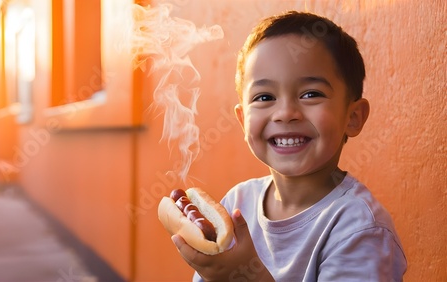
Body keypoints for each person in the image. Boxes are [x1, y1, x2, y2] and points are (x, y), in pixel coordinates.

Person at [171, 11, 407, 281]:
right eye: (264, 96)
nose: (285, 112)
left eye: (310, 94)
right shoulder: (238, 204)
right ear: (242, 120)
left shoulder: (360, 229)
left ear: (352, 118)